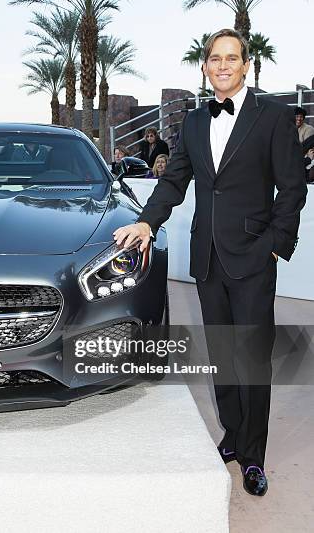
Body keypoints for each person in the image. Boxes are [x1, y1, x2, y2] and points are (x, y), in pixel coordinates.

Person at [113, 29, 307, 497]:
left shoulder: (274, 117)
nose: (223, 65)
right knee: (221, 355)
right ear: (205, 66)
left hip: (254, 256)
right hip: (207, 258)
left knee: (253, 358)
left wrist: (276, 244)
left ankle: (254, 457)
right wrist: (146, 224)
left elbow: (293, 186)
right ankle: (232, 436)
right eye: (214, 59)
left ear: (245, 65)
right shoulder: (195, 122)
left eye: (232, 58)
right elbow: (174, 181)